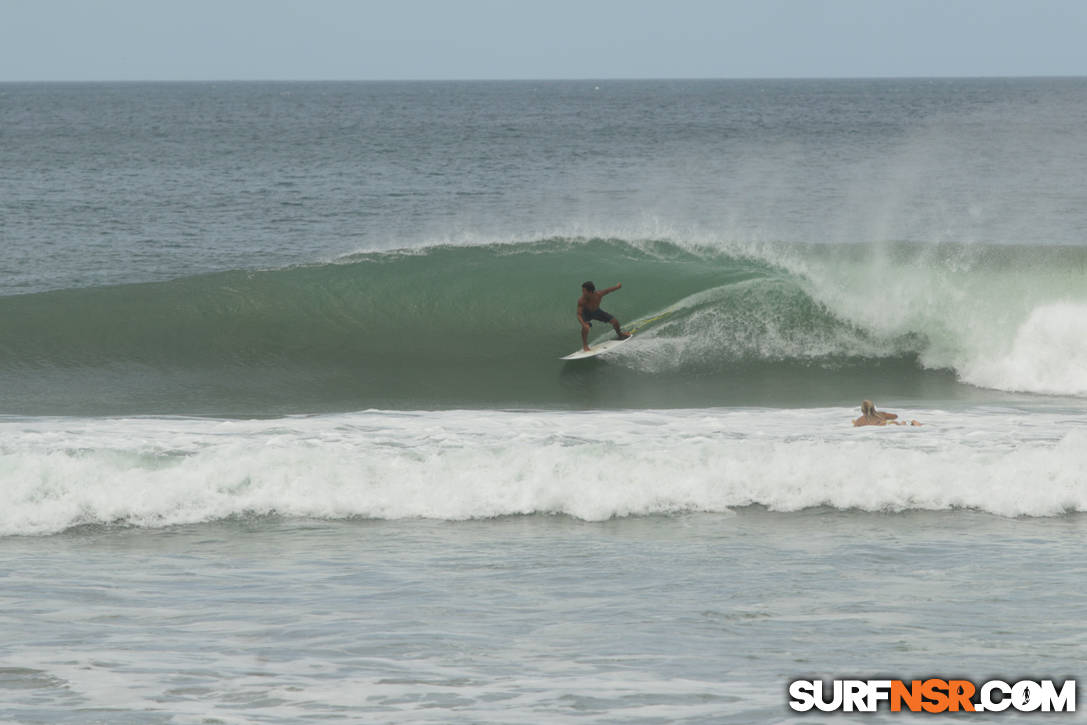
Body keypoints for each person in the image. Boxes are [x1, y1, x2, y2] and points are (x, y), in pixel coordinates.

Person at [577, 281, 630, 352]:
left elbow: (608, 290)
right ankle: (585, 345)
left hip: (596, 311)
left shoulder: (598, 294)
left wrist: (617, 287)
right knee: (586, 328)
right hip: (586, 313)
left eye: (584, 291)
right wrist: (583, 324)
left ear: (590, 292)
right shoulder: (582, 300)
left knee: (615, 322)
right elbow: (579, 314)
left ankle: (620, 334)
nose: (582, 293)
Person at [852, 400, 922, 427]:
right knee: (903, 423)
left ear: (862, 409)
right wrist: (885, 416)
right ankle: (914, 423)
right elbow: (895, 416)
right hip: (889, 424)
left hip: (884, 429)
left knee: (902, 424)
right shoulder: (881, 414)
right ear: (873, 407)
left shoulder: (859, 421)